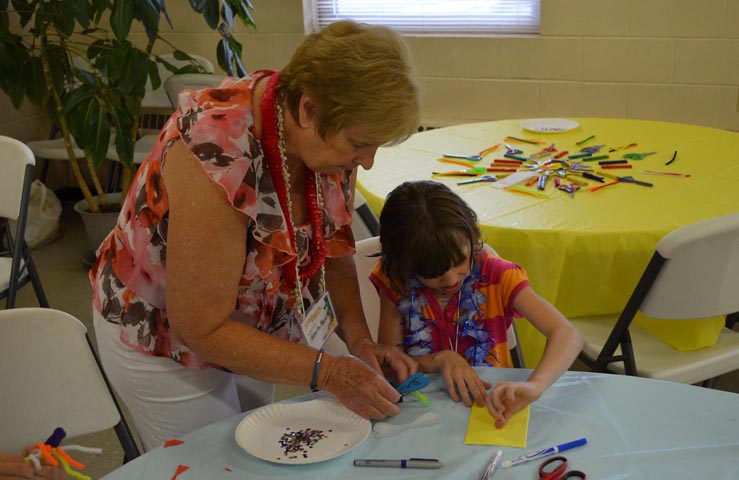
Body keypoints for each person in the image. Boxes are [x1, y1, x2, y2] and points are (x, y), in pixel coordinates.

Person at [90, 20, 420, 450]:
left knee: (259, 450)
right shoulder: (217, 153)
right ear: (308, 110)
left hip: (248, 324)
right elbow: (200, 327)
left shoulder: (322, 139)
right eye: (360, 145)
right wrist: (330, 370)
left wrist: (358, 342)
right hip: (163, 337)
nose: (368, 162)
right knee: (211, 469)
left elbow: (334, 248)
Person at [371, 180, 583, 428]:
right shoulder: (397, 281)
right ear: (404, 264)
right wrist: (440, 359)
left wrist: (536, 384)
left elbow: (567, 334)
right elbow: (389, 366)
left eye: (460, 261)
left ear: (472, 240)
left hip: (490, 409)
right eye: (433, 272)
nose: (451, 279)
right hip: (420, 416)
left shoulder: (499, 277)